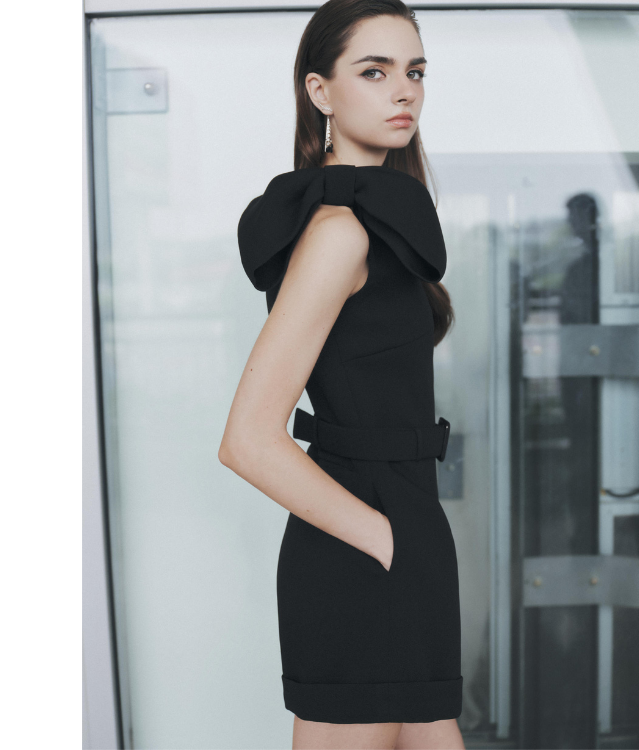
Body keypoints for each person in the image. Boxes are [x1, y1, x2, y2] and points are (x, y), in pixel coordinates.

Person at [219, 2, 464, 747]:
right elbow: (248, 440)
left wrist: (407, 541)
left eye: (415, 71)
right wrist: (387, 541)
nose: (405, 90)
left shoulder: (375, 218)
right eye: (375, 71)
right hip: (365, 547)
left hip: (400, 528)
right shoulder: (340, 230)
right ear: (320, 91)